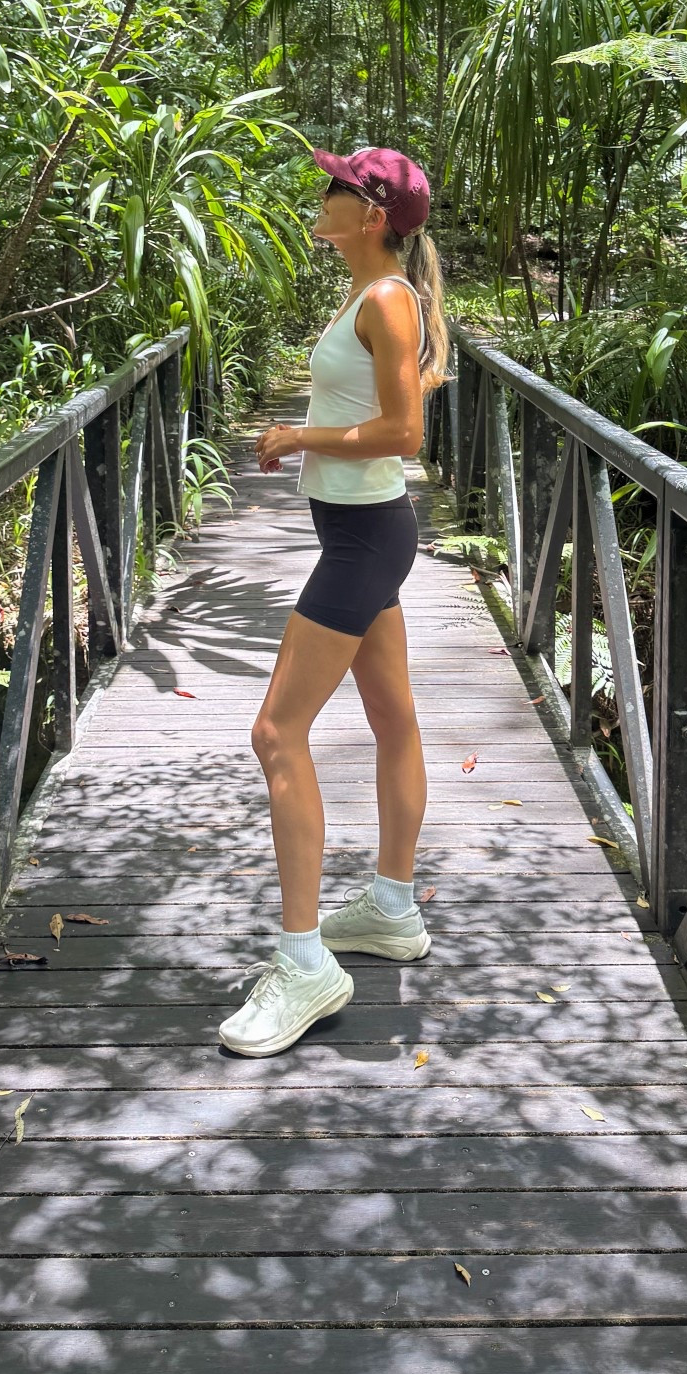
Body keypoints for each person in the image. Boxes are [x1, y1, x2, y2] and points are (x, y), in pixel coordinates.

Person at [218, 146, 451, 1056]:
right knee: (392, 715)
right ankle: (392, 907)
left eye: (335, 187)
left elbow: (405, 432)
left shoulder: (387, 298)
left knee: (276, 733)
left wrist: (295, 433)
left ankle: (306, 963)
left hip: (363, 541)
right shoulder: (372, 296)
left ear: (370, 213)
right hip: (361, 533)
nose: (319, 197)